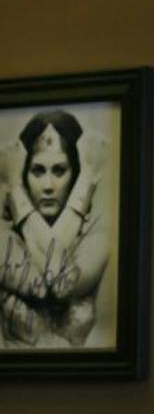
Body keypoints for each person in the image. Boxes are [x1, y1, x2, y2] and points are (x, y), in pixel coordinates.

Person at [0, 110, 110, 347]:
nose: (48, 186)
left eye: (59, 170)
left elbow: (60, 284)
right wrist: (15, 187)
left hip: (84, 382)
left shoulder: (96, 240)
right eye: (37, 171)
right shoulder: (2, 241)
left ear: (75, 175)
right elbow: (45, 285)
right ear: (22, 174)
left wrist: (88, 176)